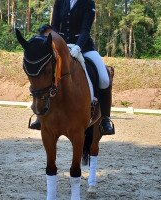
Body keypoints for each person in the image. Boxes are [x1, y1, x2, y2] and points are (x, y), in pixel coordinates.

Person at [29, 0, 114, 135]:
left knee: (104, 78)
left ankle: (105, 119)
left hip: (84, 47)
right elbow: (55, 26)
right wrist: (55, 45)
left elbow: (85, 30)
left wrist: (78, 46)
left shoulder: (88, 3)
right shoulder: (60, 2)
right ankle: (40, 116)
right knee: (44, 71)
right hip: (60, 47)